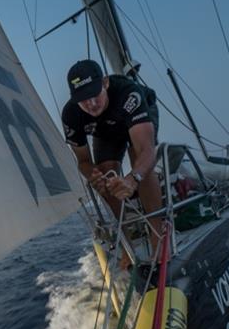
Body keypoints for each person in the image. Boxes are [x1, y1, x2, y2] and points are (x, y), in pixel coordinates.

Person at [61, 59, 164, 256]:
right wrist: (94, 176)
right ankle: (126, 243)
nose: (91, 104)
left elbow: (147, 150)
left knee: (139, 161)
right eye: (83, 99)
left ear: (105, 83)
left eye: (94, 94)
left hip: (138, 113)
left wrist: (133, 179)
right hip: (105, 130)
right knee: (105, 176)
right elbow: (83, 161)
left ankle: (157, 234)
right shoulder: (71, 114)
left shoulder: (128, 93)